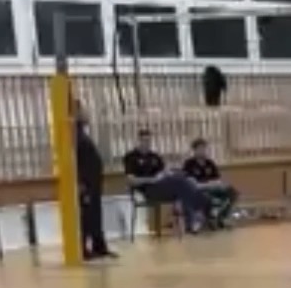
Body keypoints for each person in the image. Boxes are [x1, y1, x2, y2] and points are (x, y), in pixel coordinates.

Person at [122, 129, 209, 235]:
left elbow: (164, 172)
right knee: (181, 184)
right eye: (144, 141)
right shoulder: (131, 157)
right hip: (147, 190)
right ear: (138, 141)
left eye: (149, 141)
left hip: (162, 187)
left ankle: (192, 220)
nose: (147, 144)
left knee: (183, 180)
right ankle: (197, 213)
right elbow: (131, 180)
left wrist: (168, 173)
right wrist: (152, 179)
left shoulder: (154, 156)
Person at [72, 99, 115, 261]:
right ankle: (83, 248)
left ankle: (99, 246)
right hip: (86, 183)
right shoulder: (74, 136)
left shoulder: (81, 134)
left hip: (93, 182)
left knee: (95, 214)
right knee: (86, 216)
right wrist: (80, 182)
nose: (86, 113)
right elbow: (74, 161)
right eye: (82, 110)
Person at [181, 139, 239, 230]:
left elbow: (217, 179)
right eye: (200, 148)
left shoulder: (210, 163)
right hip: (198, 189)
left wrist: (217, 184)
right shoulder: (189, 164)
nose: (202, 151)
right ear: (194, 150)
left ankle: (222, 217)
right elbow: (189, 181)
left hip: (212, 187)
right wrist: (204, 185)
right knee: (208, 197)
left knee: (231, 192)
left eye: (204, 148)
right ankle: (209, 218)